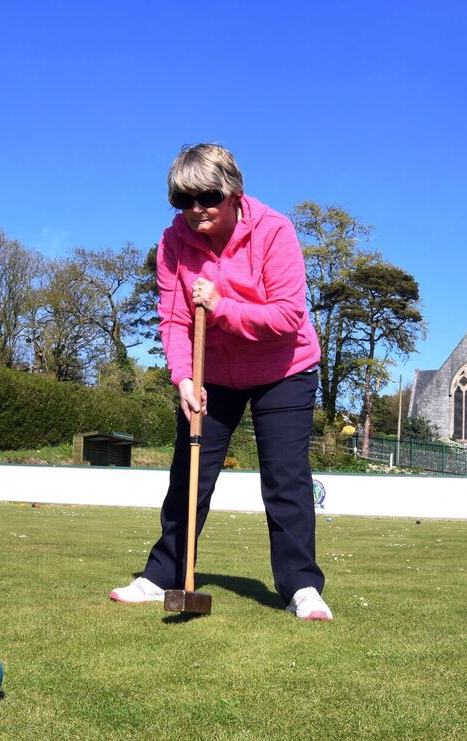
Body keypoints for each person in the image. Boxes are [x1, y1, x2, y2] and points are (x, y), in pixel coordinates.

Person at [110, 143, 331, 621]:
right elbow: (172, 322)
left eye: (206, 197)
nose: (195, 211)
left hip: (284, 368)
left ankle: (301, 587)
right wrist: (185, 379)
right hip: (213, 373)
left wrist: (221, 306)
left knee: (285, 478)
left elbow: (289, 315)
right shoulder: (173, 243)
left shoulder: (273, 231)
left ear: (234, 192)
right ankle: (162, 575)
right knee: (189, 474)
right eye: (183, 201)